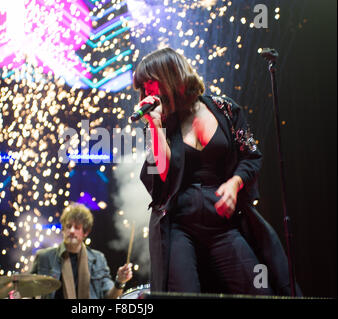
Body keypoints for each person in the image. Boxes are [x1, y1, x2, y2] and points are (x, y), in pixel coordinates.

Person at [134, 47, 301, 296]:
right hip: (179, 225)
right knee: (184, 295)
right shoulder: (161, 121)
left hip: (223, 225)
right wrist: (155, 125)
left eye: (150, 83)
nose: (147, 92)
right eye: (143, 87)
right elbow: (163, 174)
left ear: (171, 75)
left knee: (259, 290)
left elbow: (251, 155)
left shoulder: (226, 110)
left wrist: (235, 183)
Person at [30, 203, 133, 299]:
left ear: (85, 232)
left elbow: (110, 297)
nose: (71, 231)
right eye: (68, 226)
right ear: (63, 229)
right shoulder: (44, 256)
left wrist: (120, 281)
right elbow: (26, 289)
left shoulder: (98, 259)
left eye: (77, 227)